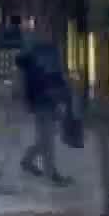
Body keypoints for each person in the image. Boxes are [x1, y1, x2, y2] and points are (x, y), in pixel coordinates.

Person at [16, 35, 74, 185]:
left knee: (46, 136)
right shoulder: (42, 53)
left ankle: (29, 160)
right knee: (47, 137)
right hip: (44, 99)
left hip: (45, 99)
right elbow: (49, 77)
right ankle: (50, 173)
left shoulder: (42, 51)